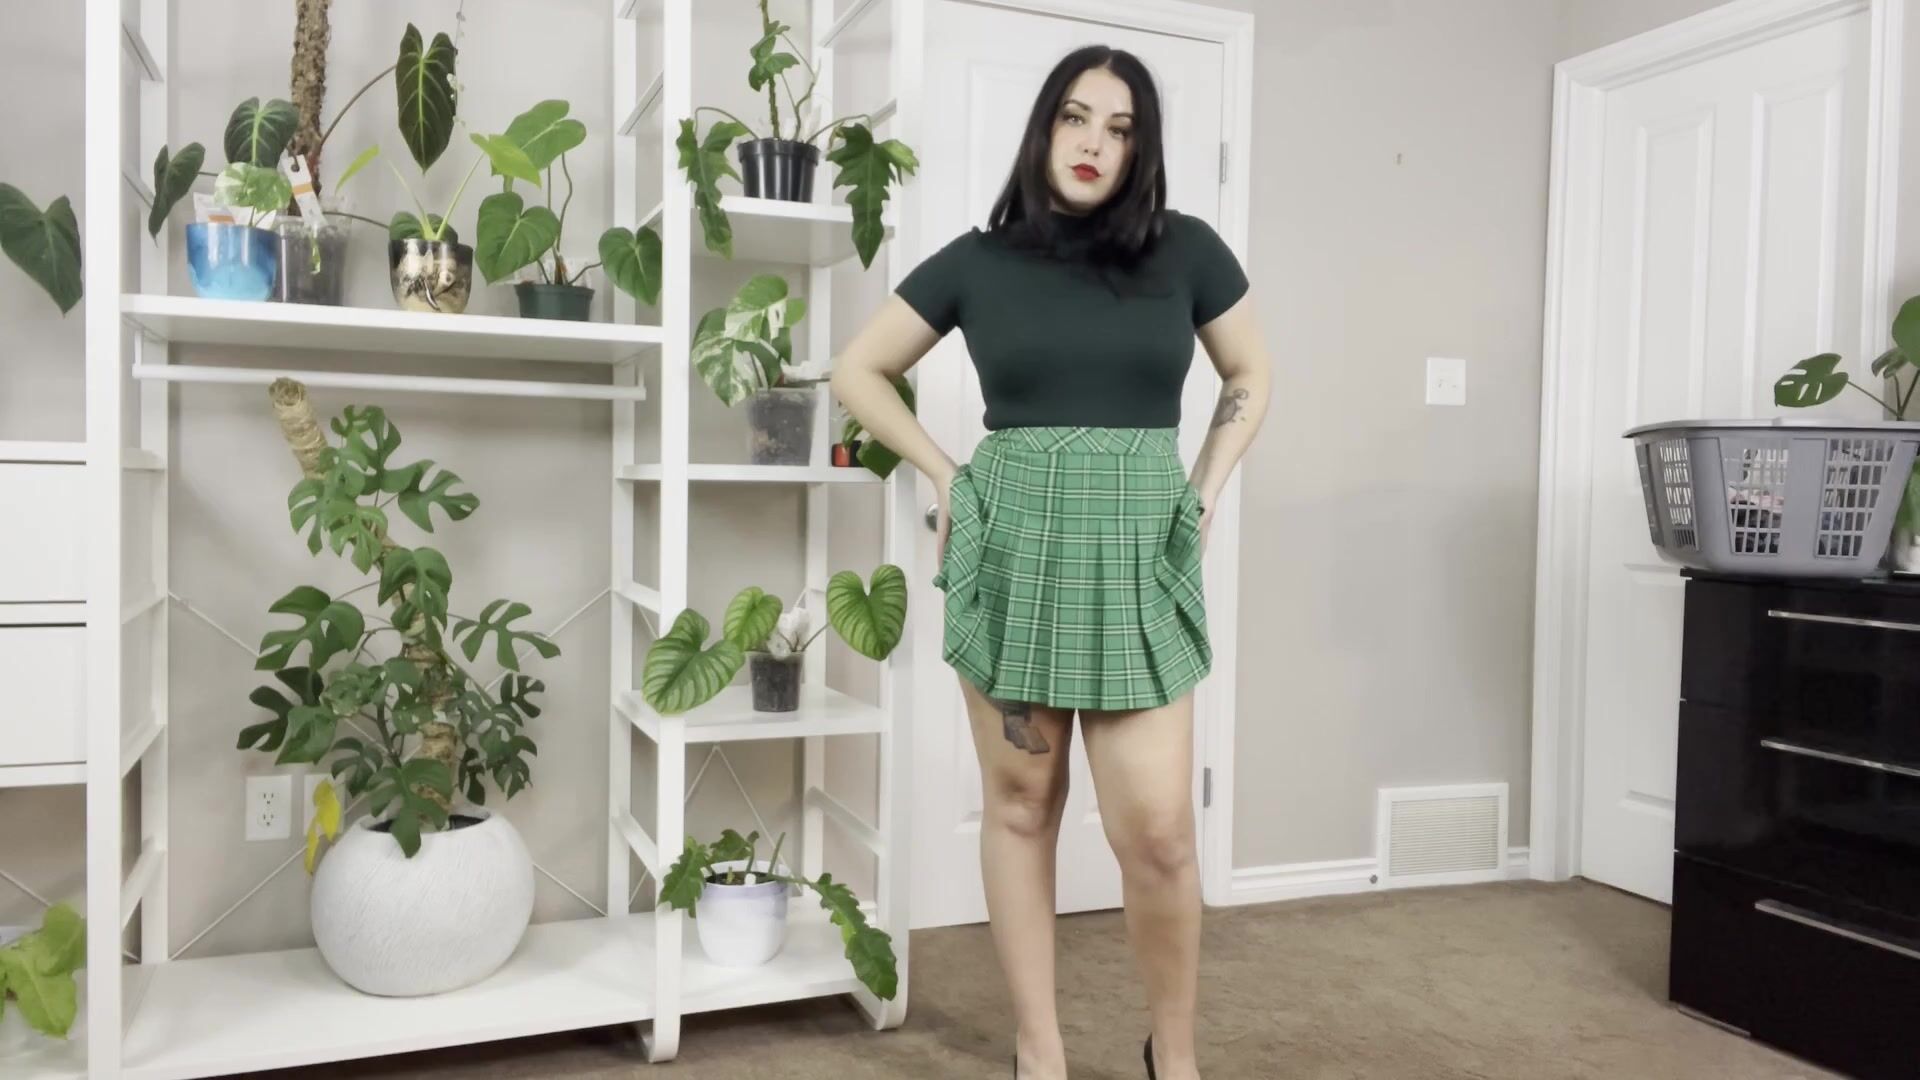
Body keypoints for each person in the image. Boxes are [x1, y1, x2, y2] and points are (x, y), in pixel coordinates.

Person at [830, 43, 1271, 1080]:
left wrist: (1204, 487)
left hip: (1137, 548)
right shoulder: (979, 262)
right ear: (1045, 127)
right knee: (1023, 805)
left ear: (1140, 149)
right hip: (1014, 543)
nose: (1093, 143)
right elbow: (859, 368)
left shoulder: (1187, 251)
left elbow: (1249, 372)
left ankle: (1174, 1052)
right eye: (1076, 117)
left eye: (1120, 129)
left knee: (1158, 831)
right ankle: (1041, 1048)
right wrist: (947, 473)